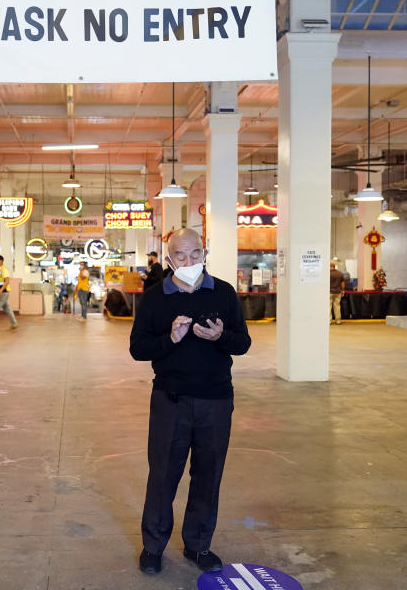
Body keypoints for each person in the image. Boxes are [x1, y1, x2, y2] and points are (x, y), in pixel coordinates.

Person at [129, 228, 252, 575]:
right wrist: (170, 338)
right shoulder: (155, 297)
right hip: (171, 400)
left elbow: (242, 343)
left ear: (204, 253)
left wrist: (219, 336)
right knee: (163, 475)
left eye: (194, 254)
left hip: (216, 400)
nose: (188, 262)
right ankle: (153, 547)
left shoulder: (224, 293)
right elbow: (138, 349)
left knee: (208, 474)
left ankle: (198, 545)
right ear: (168, 260)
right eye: (180, 256)